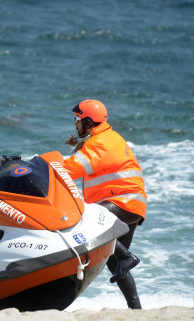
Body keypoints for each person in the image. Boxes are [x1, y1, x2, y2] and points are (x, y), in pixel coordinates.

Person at [62, 100, 147, 309]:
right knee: (115, 261)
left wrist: (42, 165)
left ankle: (127, 257)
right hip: (130, 204)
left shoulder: (101, 143)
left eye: (78, 120)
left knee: (86, 225)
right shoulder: (104, 138)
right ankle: (136, 308)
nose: (75, 125)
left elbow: (70, 169)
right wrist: (81, 143)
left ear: (89, 122)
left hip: (122, 202)